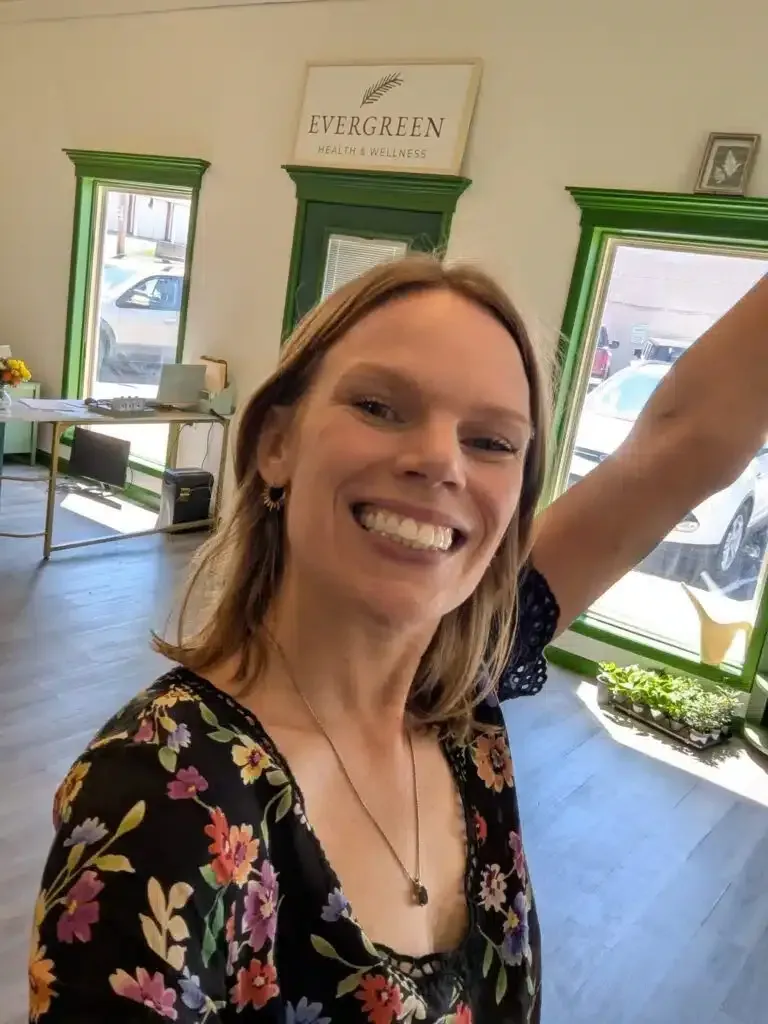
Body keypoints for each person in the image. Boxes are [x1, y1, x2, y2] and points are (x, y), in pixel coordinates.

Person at [29, 256, 768, 1024]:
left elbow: (687, 442)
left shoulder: (462, 693)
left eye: (492, 441)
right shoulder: (161, 797)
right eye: (380, 406)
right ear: (276, 442)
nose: (441, 461)